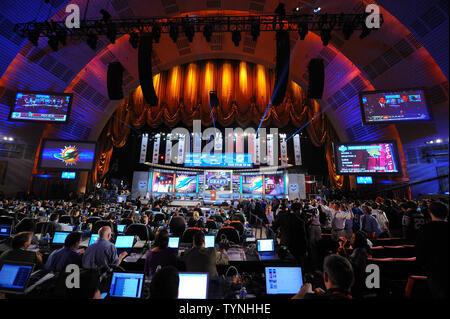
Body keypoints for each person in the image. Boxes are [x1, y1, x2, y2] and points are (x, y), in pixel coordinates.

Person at [416, 201, 448, 299]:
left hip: (434, 269)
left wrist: (423, 265)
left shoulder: (425, 229)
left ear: (430, 213)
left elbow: (420, 251)